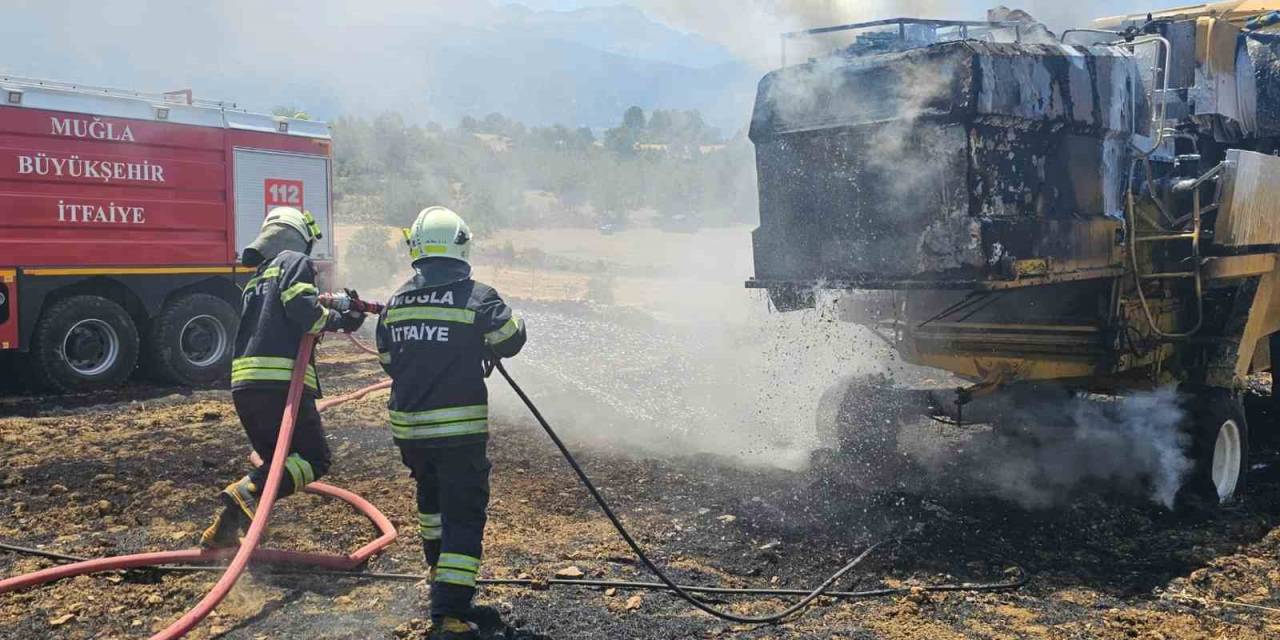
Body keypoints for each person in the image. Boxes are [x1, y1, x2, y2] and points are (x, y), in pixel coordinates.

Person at [376, 206, 527, 640]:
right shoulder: (478, 297)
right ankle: (450, 614)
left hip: (410, 431)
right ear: (462, 245)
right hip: (457, 432)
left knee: (433, 504)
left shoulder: (397, 302)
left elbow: (388, 361)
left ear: (418, 249)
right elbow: (510, 339)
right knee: (463, 514)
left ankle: (440, 578)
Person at [200, 206, 364, 548]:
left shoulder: (258, 277)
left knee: (277, 465)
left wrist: (339, 315)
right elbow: (303, 311)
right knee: (314, 459)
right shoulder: (294, 261)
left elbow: (292, 313)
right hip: (280, 385)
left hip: (246, 387)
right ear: (298, 238)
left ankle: (229, 532)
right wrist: (340, 319)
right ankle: (245, 494)